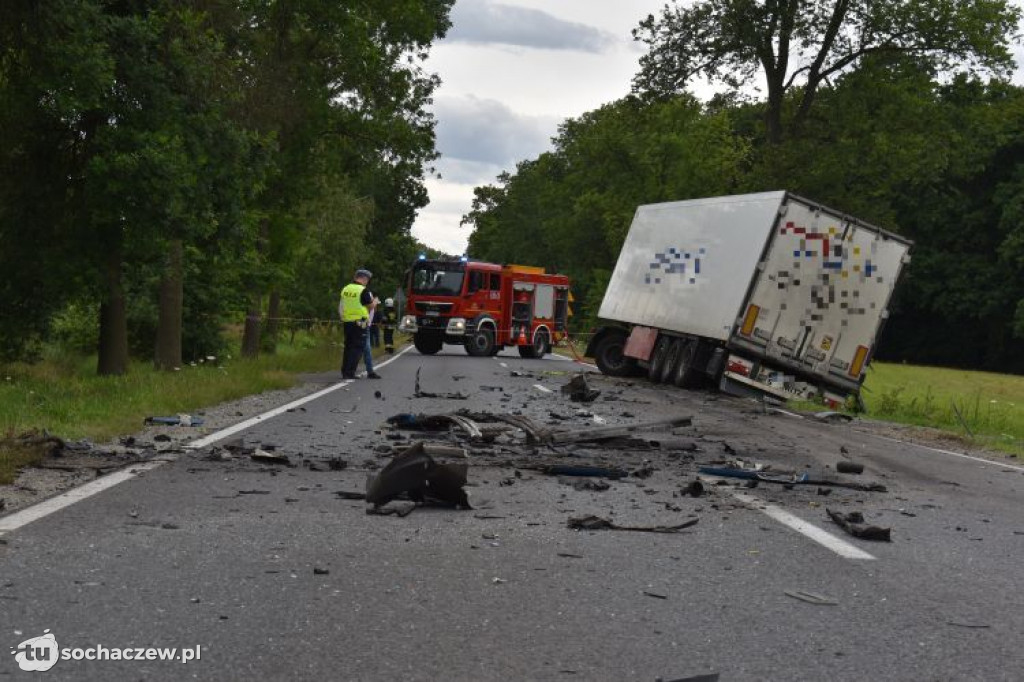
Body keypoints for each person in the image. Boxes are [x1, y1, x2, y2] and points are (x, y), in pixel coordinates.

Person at [339, 269, 374, 379]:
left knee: (348, 346)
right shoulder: (363, 290)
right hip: (361, 321)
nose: (367, 282)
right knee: (358, 347)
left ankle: (345, 371)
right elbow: (370, 306)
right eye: (367, 280)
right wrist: (374, 302)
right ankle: (350, 373)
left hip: (347, 321)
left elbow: (341, 305)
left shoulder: (345, 289)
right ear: (363, 278)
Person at [361, 291, 382, 379]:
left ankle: (369, 371)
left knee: (365, 348)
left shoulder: (374, 308)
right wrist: (374, 301)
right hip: (364, 325)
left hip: (366, 325)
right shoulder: (370, 304)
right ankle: (370, 371)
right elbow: (368, 310)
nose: (377, 305)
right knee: (366, 348)